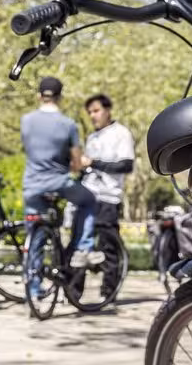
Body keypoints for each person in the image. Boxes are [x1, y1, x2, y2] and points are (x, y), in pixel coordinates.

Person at [21, 77, 104, 297]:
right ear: (60, 96)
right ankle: (83, 247)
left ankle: (34, 289)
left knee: (36, 237)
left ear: (39, 96)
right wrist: (76, 164)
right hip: (59, 182)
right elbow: (76, 164)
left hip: (32, 185)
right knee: (88, 200)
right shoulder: (68, 124)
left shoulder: (26, 121)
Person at [80, 94, 135, 297]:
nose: (93, 116)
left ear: (107, 110)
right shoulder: (92, 137)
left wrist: (94, 163)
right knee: (80, 246)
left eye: (96, 110)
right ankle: (74, 292)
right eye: (90, 113)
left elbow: (126, 165)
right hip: (87, 196)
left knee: (108, 246)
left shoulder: (121, 133)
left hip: (108, 198)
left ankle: (108, 292)